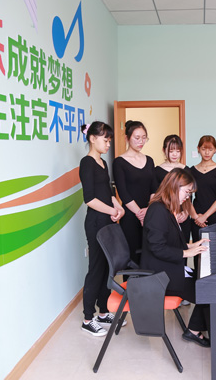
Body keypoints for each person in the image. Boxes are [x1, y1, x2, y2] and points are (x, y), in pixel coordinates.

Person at [141, 168, 216, 357]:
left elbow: (169, 242)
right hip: (160, 276)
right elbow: (157, 248)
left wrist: (192, 245)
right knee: (210, 291)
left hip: (169, 269)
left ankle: (193, 330)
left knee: (207, 285)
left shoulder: (166, 208)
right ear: (174, 187)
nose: (187, 197)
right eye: (187, 192)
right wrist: (186, 252)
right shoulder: (157, 210)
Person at [79, 122, 125, 336]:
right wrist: (111, 211)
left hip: (107, 219)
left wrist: (118, 207)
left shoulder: (103, 163)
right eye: (105, 140)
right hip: (96, 222)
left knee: (108, 268)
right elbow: (89, 199)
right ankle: (88, 318)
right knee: (96, 268)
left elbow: (107, 191)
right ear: (92, 138)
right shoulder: (87, 163)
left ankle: (104, 312)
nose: (108, 144)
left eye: (109, 141)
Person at [113, 120, 156, 265]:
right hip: (130, 216)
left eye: (144, 138)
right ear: (127, 138)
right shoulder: (119, 162)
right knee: (132, 256)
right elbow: (123, 193)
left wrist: (148, 210)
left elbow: (154, 188)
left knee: (150, 253)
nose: (141, 141)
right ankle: (131, 281)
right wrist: (139, 214)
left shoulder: (149, 160)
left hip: (150, 214)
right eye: (137, 138)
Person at [189, 135, 216, 245]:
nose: (207, 153)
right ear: (198, 149)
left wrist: (205, 216)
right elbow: (187, 197)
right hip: (196, 214)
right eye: (203, 149)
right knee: (198, 248)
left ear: (215, 150)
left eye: (210, 149)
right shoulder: (191, 171)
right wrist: (196, 217)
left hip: (215, 216)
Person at [155, 134, 191, 244]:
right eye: (171, 151)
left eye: (178, 151)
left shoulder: (186, 169)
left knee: (183, 245)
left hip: (182, 216)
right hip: (165, 215)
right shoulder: (157, 170)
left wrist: (186, 212)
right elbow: (155, 195)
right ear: (164, 150)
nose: (175, 154)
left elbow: (189, 195)